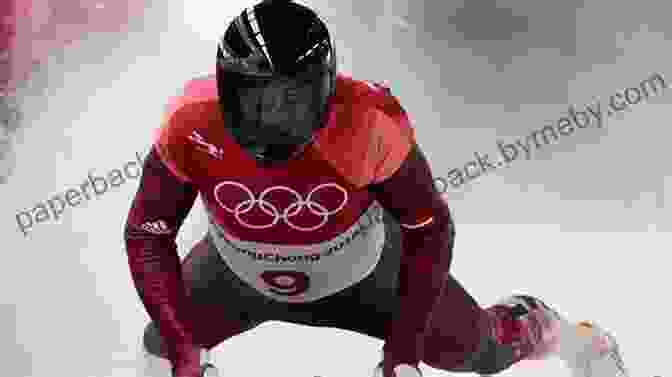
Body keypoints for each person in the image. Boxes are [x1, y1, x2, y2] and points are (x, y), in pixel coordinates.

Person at [123, 1, 629, 376]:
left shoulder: (370, 122)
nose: (275, 121)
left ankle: (568, 336)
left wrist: (404, 349)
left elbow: (429, 228)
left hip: (371, 281)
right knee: (159, 359)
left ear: (327, 88)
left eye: (293, 102)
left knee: (484, 351)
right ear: (226, 92)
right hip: (236, 279)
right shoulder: (189, 122)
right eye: (258, 102)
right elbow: (147, 234)